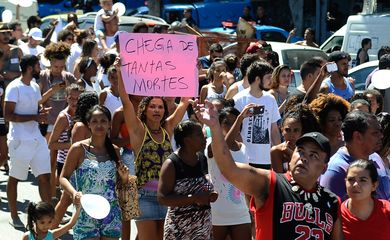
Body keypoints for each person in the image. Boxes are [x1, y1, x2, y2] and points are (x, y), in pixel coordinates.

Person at [193, 101, 344, 240]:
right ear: (292, 155)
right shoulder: (270, 183)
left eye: (313, 155)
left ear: (324, 167)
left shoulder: (332, 201)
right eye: (301, 151)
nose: (304, 158)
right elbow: (229, 168)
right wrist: (214, 127)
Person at [117, 57, 191, 240]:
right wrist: (120, 72)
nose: (157, 110)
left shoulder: (168, 128)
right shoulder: (138, 131)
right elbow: (126, 101)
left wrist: (191, 71)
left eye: (160, 107)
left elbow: (184, 102)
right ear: (145, 109)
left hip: (167, 194)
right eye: (152, 107)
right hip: (144, 196)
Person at [60, 105, 130, 240]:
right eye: (95, 121)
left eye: (103, 121)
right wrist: (74, 193)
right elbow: (63, 177)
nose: (99, 125)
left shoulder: (115, 150)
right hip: (85, 213)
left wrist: (124, 178)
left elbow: (122, 185)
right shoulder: (78, 149)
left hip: (111, 214)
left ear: (109, 124)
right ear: (88, 125)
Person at [4, 55, 52, 227]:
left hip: (36, 139)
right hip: (19, 140)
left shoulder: (34, 86)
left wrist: (41, 112)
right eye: (38, 65)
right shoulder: (13, 87)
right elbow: (8, 115)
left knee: (45, 177)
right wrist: (35, 116)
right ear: (30, 68)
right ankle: (14, 216)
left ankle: (48, 217)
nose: (40, 68)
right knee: (15, 178)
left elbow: (36, 108)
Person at [158, 120, 217, 239]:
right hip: (179, 229)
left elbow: (203, 185)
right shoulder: (171, 164)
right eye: (199, 134)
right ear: (187, 139)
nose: (204, 137)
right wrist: (194, 199)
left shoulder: (202, 158)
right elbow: (162, 198)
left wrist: (209, 195)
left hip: (202, 227)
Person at [206, 106, 252, 239]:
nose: (231, 126)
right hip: (216, 213)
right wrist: (239, 119)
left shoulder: (243, 148)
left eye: (235, 122)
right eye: (227, 122)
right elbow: (223, 148)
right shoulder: (210, 143)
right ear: (218, 125)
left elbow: (246, 181)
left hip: (241, 213)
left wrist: (251, 209)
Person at [320, 111, 384, 201]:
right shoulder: (335, 170)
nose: (381, 136)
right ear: (358, 136)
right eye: (375, 133)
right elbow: (330, 211)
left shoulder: (376, 158)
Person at [48, 84, 84, 227]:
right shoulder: (64, 117)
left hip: (80, 162)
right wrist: (74, 145)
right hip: (66, 162)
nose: (74, 101)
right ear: (66, 98)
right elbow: (51, 144)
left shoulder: (83, 114)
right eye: (71, 98)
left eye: (77, 98)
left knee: (71, 201)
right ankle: (49, 231)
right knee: (66, 201)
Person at [233, 61, 281, 169]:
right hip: (245, 159)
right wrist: (241, 153)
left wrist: (278, 154)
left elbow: (274, 130)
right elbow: (234, 130)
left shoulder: (270, 99)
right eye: (268, 77)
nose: (271, 81)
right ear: (258, 79)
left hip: (266, 159)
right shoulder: (239, 99)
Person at [341, 160, 390, 240]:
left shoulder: (387, 211)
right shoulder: (337, 215)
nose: (355, 185)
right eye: (351, 180)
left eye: (363, 180)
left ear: (374, 185)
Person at [271, 104, 320, 173]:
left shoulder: (309, 151)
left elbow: (309, 176)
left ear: (302, 131)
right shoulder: (276, 151)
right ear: (282, 130)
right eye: (287, 130)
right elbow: (280, 181)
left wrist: (291, 155)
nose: (292, 135)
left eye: (296, 130)